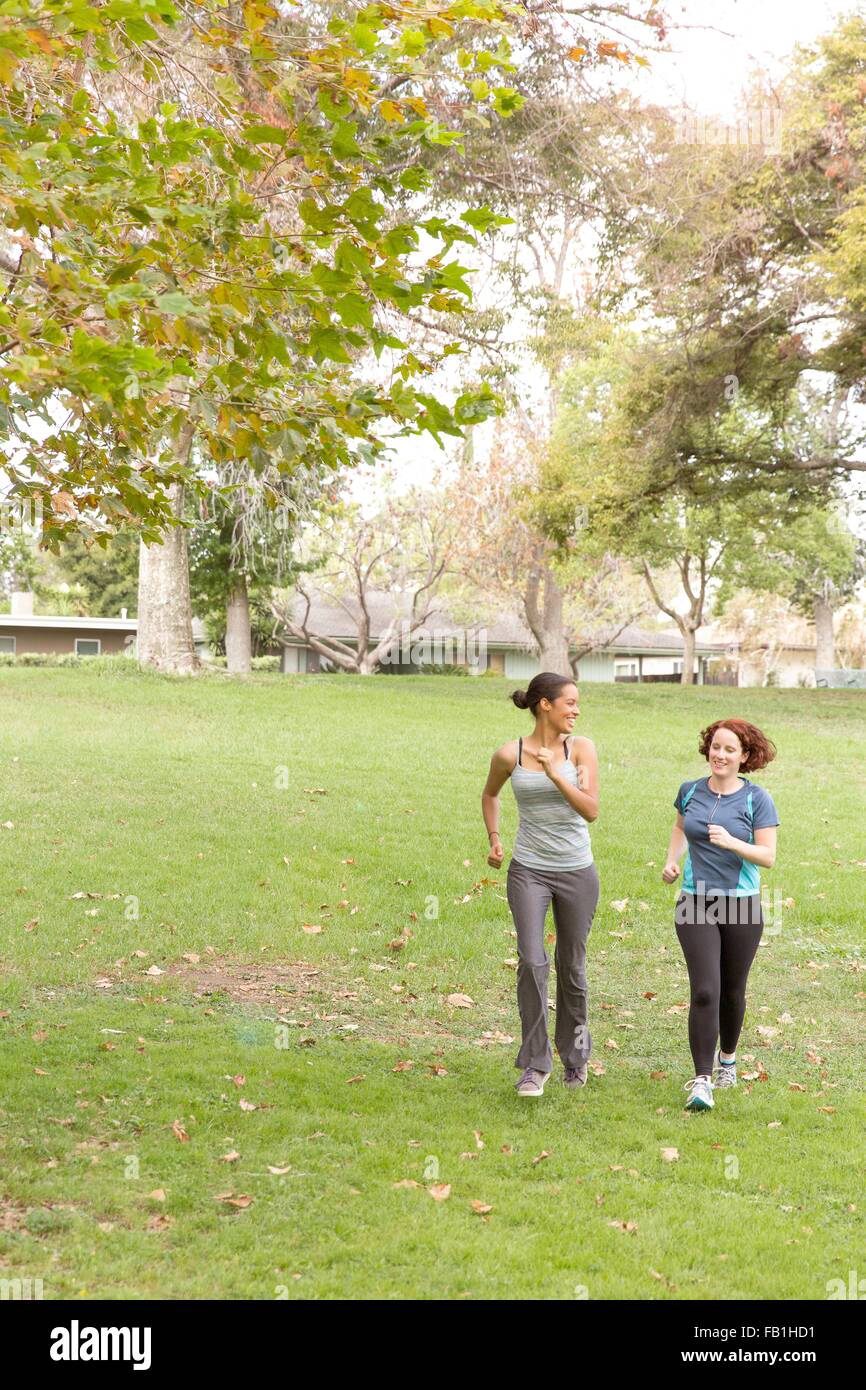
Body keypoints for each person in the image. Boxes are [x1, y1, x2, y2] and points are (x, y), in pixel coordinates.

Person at [481, 672, 600, 1096]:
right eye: (569, 702)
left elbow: (591, 811)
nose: (576, 710)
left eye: (577, 703)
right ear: (544, 704)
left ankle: (577, 1057)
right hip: (528, 868)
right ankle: (535, 1063)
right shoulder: (509, 753)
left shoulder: (581, 749)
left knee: (573, 967)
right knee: (532, 962)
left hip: (576, 871)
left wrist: (556, 775)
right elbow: (490, 794)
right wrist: (495, 839)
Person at [662, 718, 779, 1111]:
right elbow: (680, 829)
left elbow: (768, 856)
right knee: (705, 989)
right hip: (695, 901)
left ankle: (727, 1059)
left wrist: (732, 843)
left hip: (742, 904)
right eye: (716, 746)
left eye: (730, 749)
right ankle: (701, 1079)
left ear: (744, 756)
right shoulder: (690, 791)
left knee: (732, 990)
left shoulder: (756, 799)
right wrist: (671, 862)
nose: (720, 754)